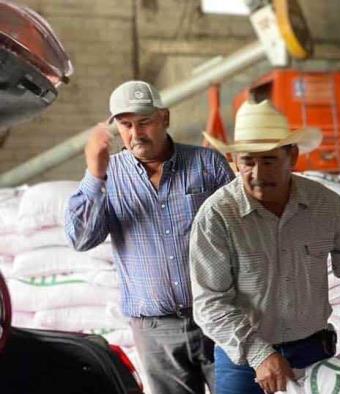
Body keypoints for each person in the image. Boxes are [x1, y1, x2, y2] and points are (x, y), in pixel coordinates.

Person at [190, 99, 340, 394]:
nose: (256, 174)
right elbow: (209, 302)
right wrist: (261, 355)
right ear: (235, 161)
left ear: (292, 156)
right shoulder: (217, 215)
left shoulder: (323, 204)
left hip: (312, 350)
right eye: (247, 161)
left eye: (268, 161)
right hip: (242, 357)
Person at [65, 80, 233, 394]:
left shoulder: (207, 164)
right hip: (154, 330)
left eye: (145, 122)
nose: (136, 133)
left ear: (165, 118)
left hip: (218, 317)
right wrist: (94, 174)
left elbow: (244, 236)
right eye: (126, 125)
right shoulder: (109, 175)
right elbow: (81, 239)